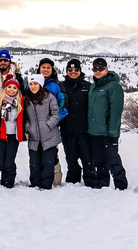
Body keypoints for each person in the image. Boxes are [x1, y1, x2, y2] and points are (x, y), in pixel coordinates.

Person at [87, 58, 128, 190]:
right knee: (99, 161)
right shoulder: (93, 86)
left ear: (106, 69)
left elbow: (116, 110)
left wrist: (112, 131)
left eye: (100, 68)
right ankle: (102, 184)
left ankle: (121, 186)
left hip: (107, 132)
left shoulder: (113, 86)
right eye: (95, 69)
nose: (97, 71)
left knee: (113, 160)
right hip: (94, 131)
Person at [0, 74, 25, 188]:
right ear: (4, 88)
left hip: (13, 136)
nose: (11, 90)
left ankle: (8, 182)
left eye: (14, 87)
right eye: (9, 87)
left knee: (9, 161)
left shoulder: (21, 102)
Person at [60, 58, 95, 186]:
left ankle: (90, 180)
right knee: (71, 157)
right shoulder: (61, 86)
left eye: (76, 70)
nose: (73, 72)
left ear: (80, 71)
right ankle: (73, 181)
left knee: (87, 157)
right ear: (66, 71)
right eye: (70, 70)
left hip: (84, 129)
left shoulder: (88, 86)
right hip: (67, 129)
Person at [24, 74, 61, 190]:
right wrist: (28, 127)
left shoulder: (49, 97)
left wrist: (47, 125)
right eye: (31, 84)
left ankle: (46, 185)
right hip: (34, 137)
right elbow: (25, 118)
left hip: (49, 136)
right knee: (34, 163)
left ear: (40, 84)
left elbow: (56, 114)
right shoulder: (27, 99)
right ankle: (35, 184)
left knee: (47, 162)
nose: (33, 86)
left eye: (35, 84)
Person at [38, 57, 68, 186]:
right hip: (36, 128)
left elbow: (63, 105)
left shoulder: (56, 85)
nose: (45, 69)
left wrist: (53, 121)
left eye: (48, 67)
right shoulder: (34, 83)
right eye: (43, 67)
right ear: (39, 69)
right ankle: (39, 178)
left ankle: (55, 180)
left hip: (51, 127)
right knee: (37, 154)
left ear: (52, 69)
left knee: (52, 154)